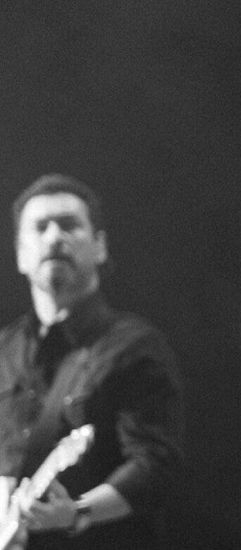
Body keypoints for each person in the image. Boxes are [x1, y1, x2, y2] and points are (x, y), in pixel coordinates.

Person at [0, 174, 183, 550]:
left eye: (69, 225)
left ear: (100, 246)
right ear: (19, 254)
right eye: (40, 227)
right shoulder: (6, 349)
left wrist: (77, 512)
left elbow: (154, 465)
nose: (54, 237)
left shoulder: (132, 345)